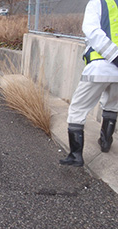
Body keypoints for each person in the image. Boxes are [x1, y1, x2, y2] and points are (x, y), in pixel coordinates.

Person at [60, 0, 118, 167]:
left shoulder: (97, 3)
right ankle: (105, 143)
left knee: (78, 109)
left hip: (99, 67)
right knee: (112, 104)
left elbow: (92, 31)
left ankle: (76, 155)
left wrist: (114, 56)